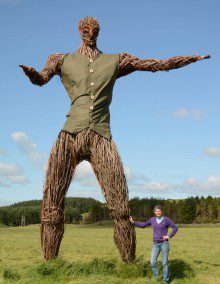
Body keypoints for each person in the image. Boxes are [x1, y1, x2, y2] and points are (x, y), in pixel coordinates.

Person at [19, 15, 209, 262]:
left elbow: (155, 64)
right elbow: (42, 79)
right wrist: (33, 75)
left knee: (120, 206)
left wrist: (192, 58)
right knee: (52, 205)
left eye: (94, 29)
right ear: (79, 31)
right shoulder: (61, 59)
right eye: (86, 29)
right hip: (69, 134)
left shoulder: (115, 60)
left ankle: (129, 264)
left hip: (101, 136)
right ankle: (48, 265)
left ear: (99, 32)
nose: (90, 33)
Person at [129, 205, 178, 284]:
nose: (158, 212)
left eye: (159, 211)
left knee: (164, 263)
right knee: (152, 262)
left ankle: (165, 281)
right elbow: (143, 225)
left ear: (161, 212)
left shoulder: (166, 219)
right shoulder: (152, 219)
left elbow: (175, 227)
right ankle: (157, 277)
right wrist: (133, 222)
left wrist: (169, 236)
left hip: (164, 244)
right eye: (156, 211)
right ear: (154, 212)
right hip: (155, 244)